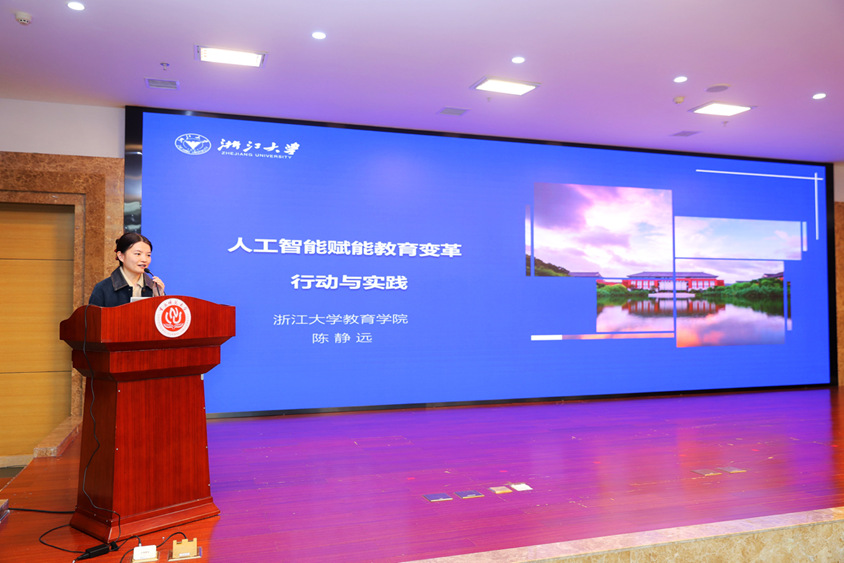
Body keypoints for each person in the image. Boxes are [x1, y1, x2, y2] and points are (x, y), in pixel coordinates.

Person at [88, 233, 166, 307]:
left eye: (148, 255)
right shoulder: (103, 288)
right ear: (121, 256)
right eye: (138, 254)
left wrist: (159, 297)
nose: (144, 259)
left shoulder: (154, 287)